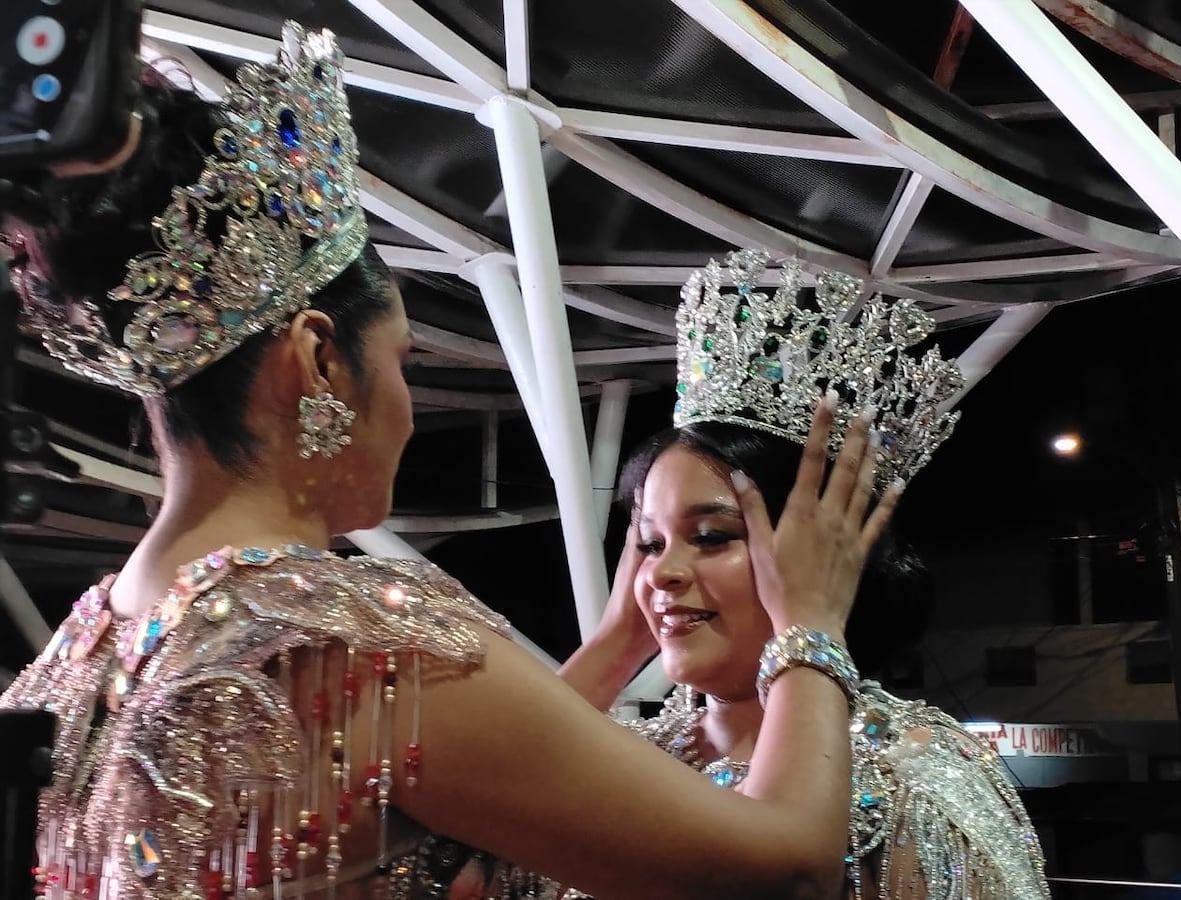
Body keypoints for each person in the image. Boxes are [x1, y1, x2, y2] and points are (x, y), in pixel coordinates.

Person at [0, 23, 898, 900]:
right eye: (399, 360)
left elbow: (477, 779)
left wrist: (617, 644)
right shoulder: (353, 646)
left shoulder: (77, 664)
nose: (405, 408)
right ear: (317, 360)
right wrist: (811, 629)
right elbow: (789, 869)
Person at [559, 255, 1052, 899]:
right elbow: (453, 848)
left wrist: (808, 634)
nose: (663, 573)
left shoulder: (915, 777)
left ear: (825, 552)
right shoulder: (627, 756)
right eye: (650, 543)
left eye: (711, 536)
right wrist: (614, 644)